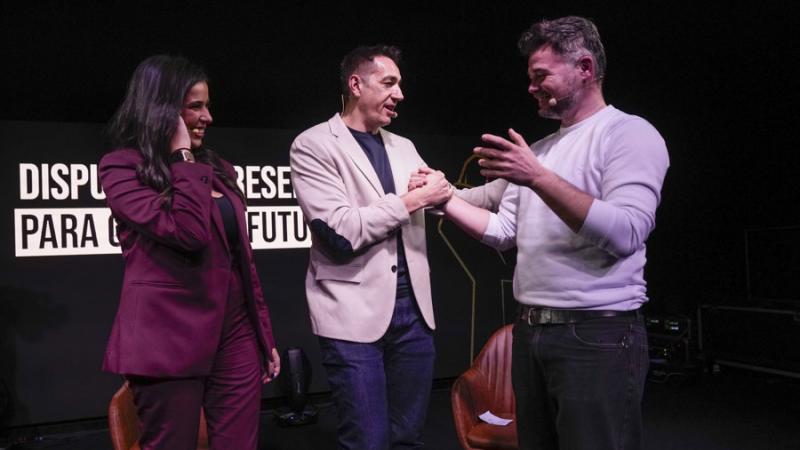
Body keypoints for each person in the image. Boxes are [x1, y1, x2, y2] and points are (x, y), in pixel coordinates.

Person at [437, 16, 670, 450]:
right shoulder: (542, 151)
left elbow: (627, 232)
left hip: (597, 336)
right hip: (532, 333)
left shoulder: (629, 134)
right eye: (530, 76)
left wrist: (537, 178)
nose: (531, 86)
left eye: (540, 75)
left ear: (584, 67)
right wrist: (441, 195)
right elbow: (503, 228)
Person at [100, 55, 280, 450]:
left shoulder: (217, 168)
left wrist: (262, 336)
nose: (208, 117)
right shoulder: (121, 169)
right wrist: (182, 157)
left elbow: (242, 262)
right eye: (195, 106)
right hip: (168, 339)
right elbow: (189, 232)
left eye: (207, 105)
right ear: (162, 109)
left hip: (234, 335)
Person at [289, 45, 454, 450]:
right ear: (356, 84)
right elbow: (341, 233)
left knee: (407, 437)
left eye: (400, 85)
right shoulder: (312, 145)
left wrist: (516, 183)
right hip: (351, 316)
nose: (400, 94)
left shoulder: (404, 146)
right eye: (389, 83)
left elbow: (446, 200)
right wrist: (414, 200)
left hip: (413, 315)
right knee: (368, 440)